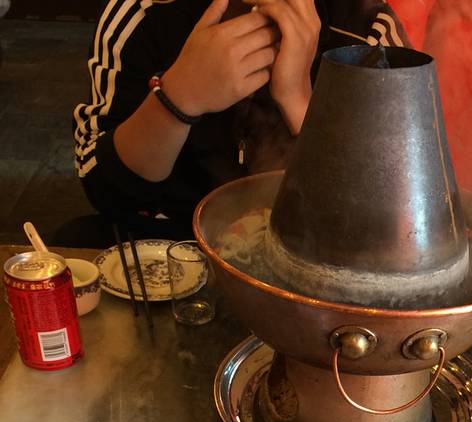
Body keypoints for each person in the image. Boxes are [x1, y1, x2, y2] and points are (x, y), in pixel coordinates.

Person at [69, 0, 409, 245]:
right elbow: (106, 191)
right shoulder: (144, 12)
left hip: (311, 251)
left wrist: (298, 99)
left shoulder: (369, 32)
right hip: (170, 245)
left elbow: (388, 224)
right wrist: (178, 98)